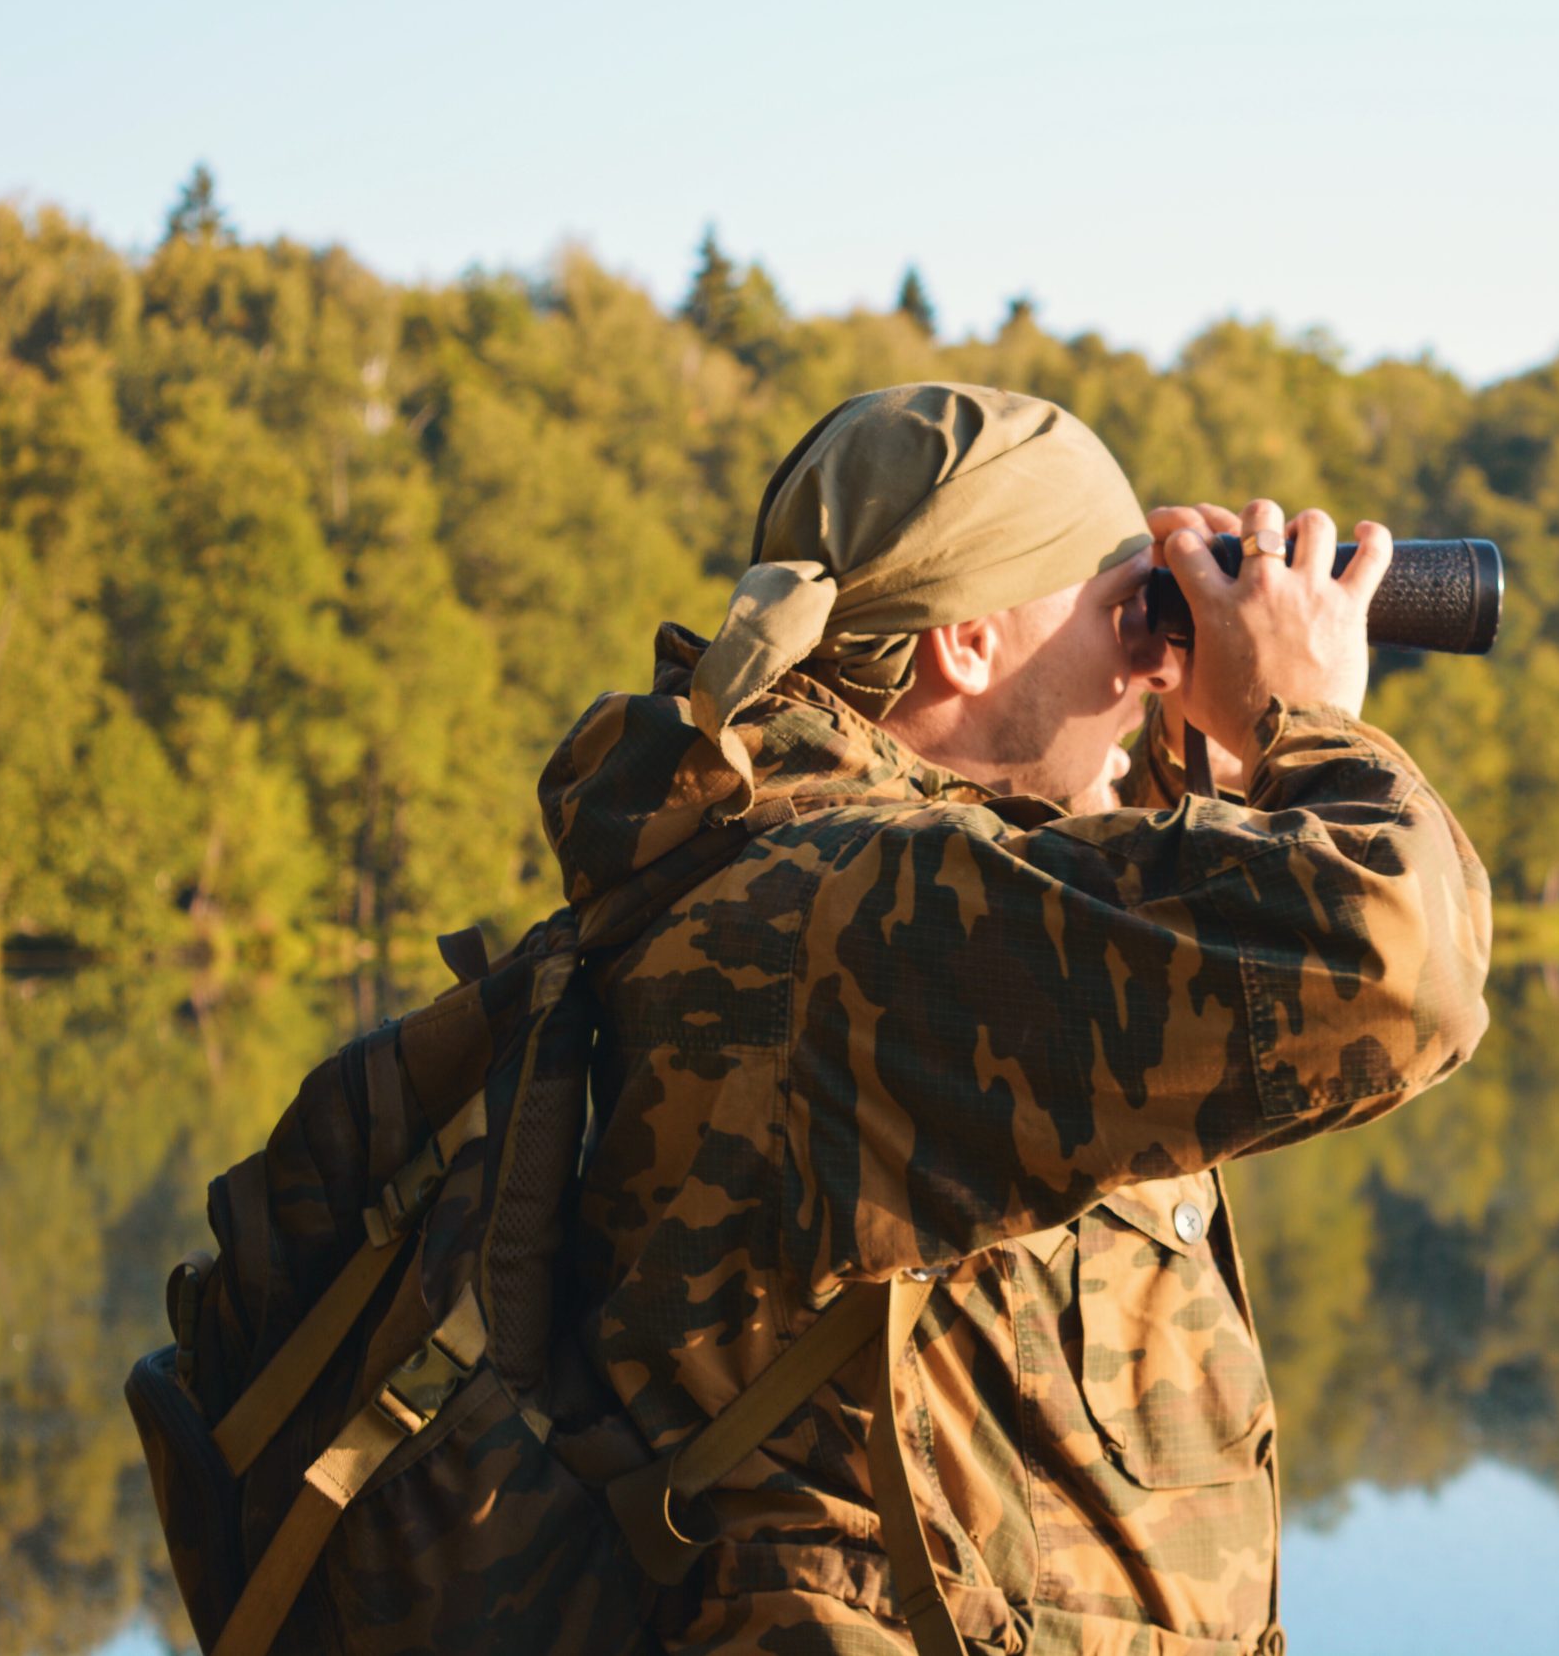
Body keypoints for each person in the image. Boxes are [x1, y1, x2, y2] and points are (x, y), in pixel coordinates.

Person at [540, 382, 1491, 1654]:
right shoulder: (863, 917)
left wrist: (1186, 731)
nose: (1156, 657)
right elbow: (1393, 966)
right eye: (1122, 613)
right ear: (970, 643)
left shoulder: (806, 868)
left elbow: (1101, 904)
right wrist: (1293, 715)